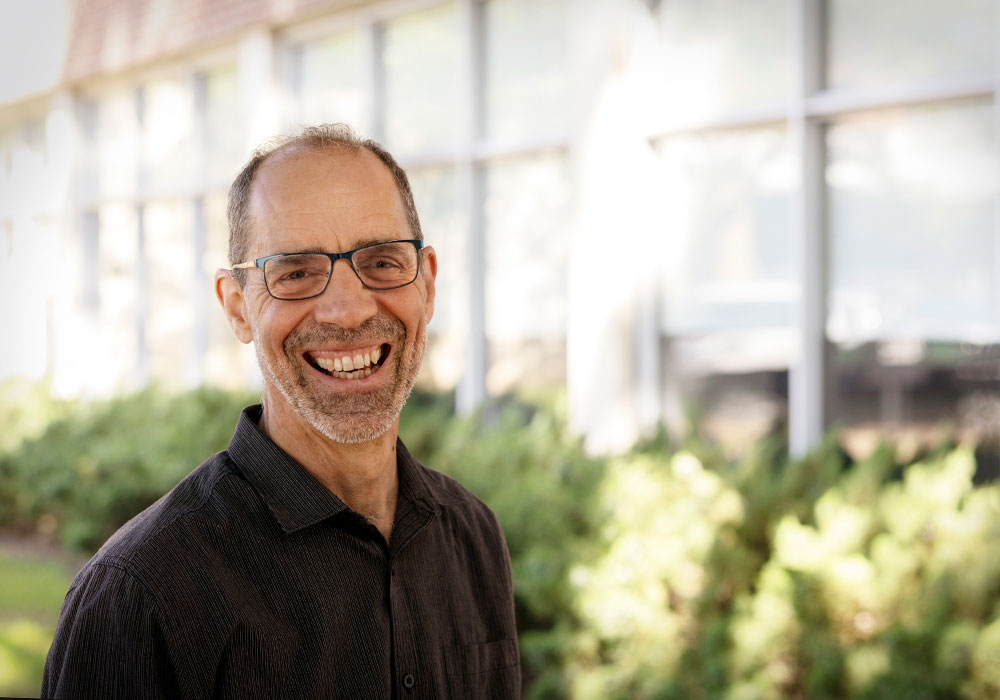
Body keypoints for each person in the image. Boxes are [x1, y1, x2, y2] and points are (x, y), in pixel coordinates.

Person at [41, 124, 520, 699]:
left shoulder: (473, 536)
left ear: (428, 285)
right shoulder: (139, 596)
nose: (346, 310)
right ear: (237, 308)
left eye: (383, 262)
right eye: (296, 273)